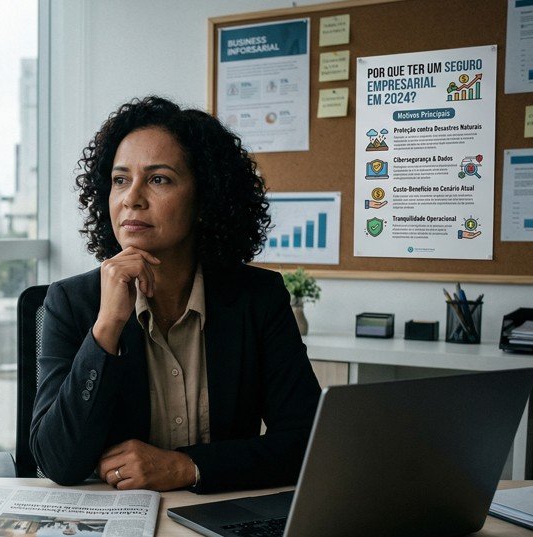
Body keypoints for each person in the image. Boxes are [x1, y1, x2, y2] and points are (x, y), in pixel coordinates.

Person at [29, 96, 321, 494]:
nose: (131, 197)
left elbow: (306, 443)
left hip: (218, 514)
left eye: (158, 179)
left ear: (204, 199)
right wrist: (108, 327)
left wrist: (188, 467)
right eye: (120, 180)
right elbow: (56, 462)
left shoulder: (257, 298)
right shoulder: (71, 303)